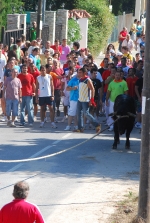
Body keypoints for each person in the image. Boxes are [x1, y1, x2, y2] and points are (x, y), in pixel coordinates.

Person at [74, 67, 100, 133]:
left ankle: (97, 125)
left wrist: (92, 100)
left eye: (80, 72)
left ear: (84, 73)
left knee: (86, 114)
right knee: (79, 114)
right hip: (80, 99)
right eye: (78, 72)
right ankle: (80, 128)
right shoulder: (80, 80)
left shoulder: (87, 80)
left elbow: (92, 89)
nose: (79, 74)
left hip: (86, 100)